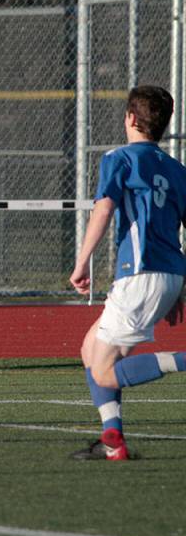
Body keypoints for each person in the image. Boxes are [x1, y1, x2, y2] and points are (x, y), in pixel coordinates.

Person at [69, 85, 186, 461]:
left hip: (139, 275)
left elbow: (103, 210)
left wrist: (82, 261)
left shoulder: (118, 158)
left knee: (104, 372)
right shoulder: (176, 169)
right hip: (168, 274)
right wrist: (180, 287)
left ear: (132, 119)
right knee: (91, 350)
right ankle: (112, 441)